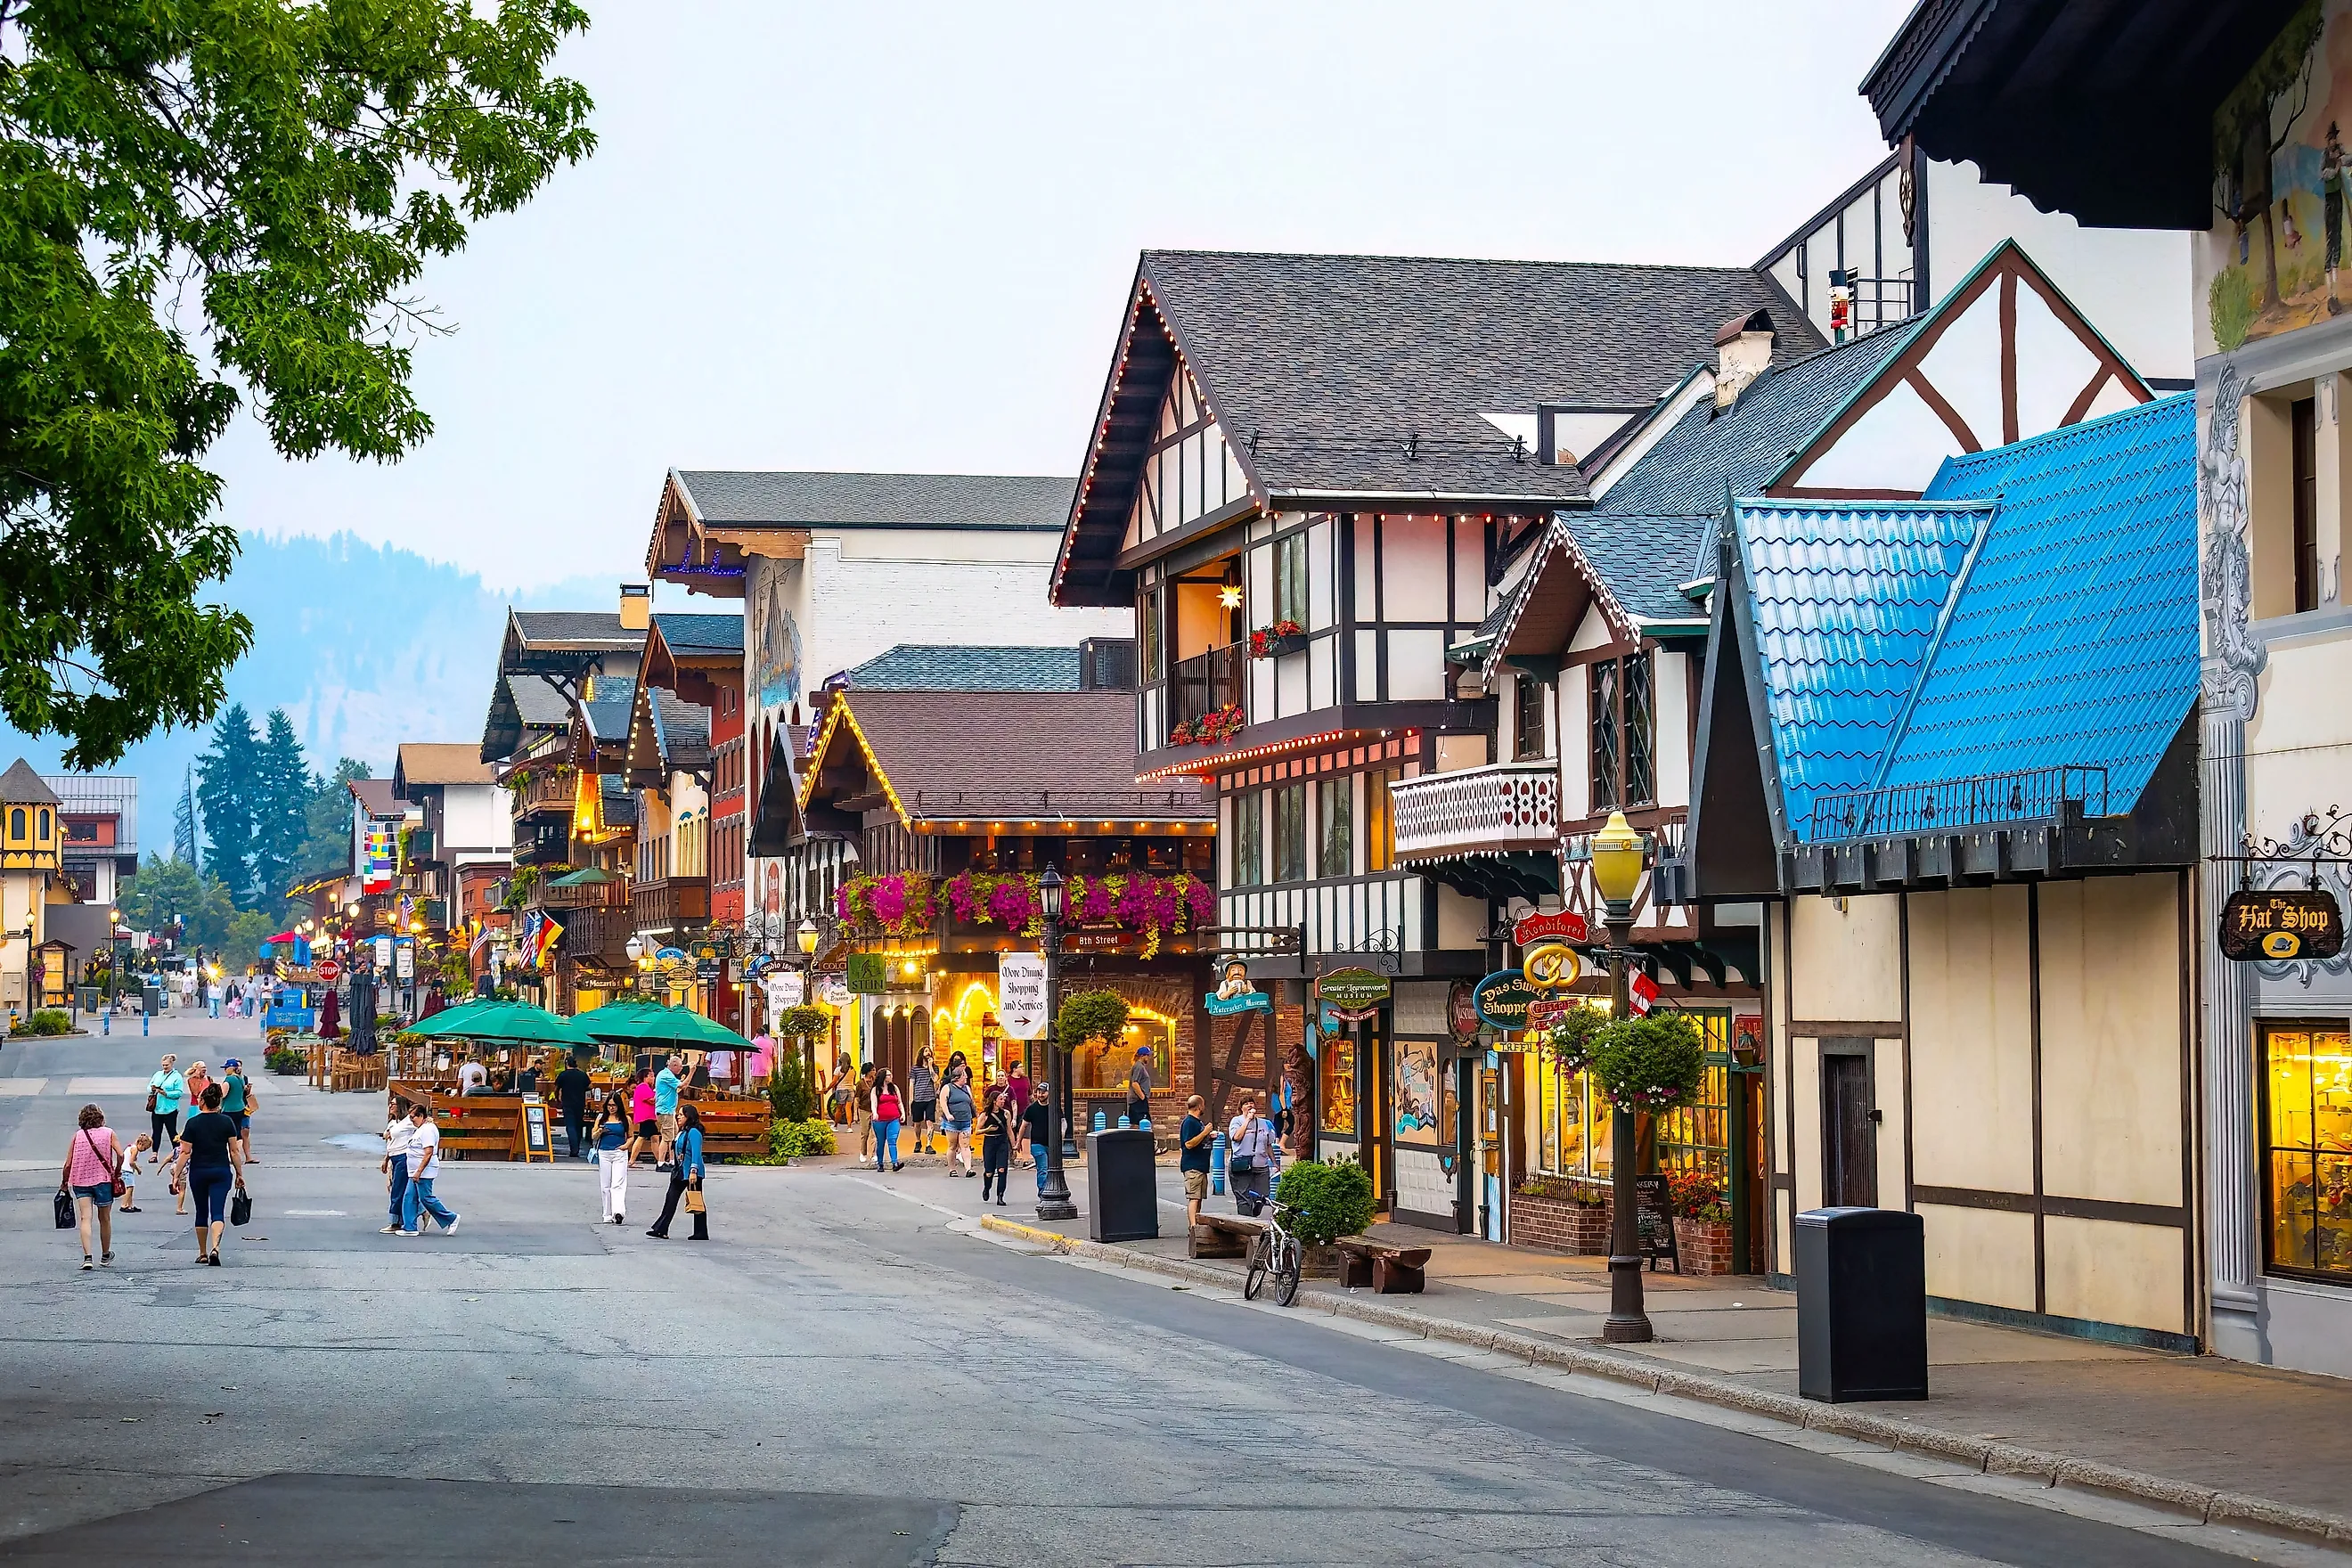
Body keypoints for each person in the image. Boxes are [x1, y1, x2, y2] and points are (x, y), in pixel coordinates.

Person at [172, 1084, 247, 1265]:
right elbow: (234, 1151)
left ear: (203, 1101)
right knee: (218, 1212)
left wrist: (176, 1174)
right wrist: (239, 1173)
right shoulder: (226, 1122)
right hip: (221, 1171)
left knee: (201, 1211)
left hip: (199, 1172)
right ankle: (216, 1248)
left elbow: (185, 1152)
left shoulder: (193, 1123)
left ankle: (203, 1252)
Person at [61, 1105, 122, 1270]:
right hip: (103, 1180)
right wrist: (117, 1170)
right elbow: (121, 1154)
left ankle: (88, 1257)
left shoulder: (78, 1136)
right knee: (105, 1219)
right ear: (100, 1117)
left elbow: (68, 1164)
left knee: (85, 1218)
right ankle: (105, 1255)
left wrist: (64, 1182)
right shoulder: (109, 1133)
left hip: (80, 1181)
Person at [647, 1101, 708, 1240]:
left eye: (681, 1115)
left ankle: (701, 1232)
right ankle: (661, 1228)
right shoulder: (682, 1132)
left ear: (688, 1116)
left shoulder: (694, 1132)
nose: (678, 1117)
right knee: (671, 1198)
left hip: (692, 1172)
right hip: (680, 1171)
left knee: (696, 1200)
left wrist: (693, 1170)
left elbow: (696, 1152)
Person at [398, 1103, 459, 1236]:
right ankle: (410, 1227)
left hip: (424, 1170)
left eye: (413, 1117)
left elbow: (428, 1152)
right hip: (414, 1170)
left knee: (426, 1198)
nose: (411, 1120)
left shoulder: (427, 1130)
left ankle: (451, 1217)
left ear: (421, 1116)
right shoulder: (421, 1128)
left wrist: (419, 1171)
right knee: (409, 1197)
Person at [1228, 1093, 1274, 1213]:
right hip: (1242, 1165)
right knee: (1244, 1197)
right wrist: (1247, 1120)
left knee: (1263, 1195)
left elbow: (1268, 1144)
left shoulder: (1264, 1123)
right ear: (1241, 1108)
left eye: (1251, 1103)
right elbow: (1236, 1137)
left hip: (1261, 1164)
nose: (1249, 1105)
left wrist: (1274, 1162)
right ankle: (1246, 1226)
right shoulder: (1236, 1121)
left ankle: (1256, 1209)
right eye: (1246, 1103)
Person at [594, 1089, 632, 1225]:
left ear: (618, 1106)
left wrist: (626, 1145)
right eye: (609, 1105)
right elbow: (593, 1136)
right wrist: (600, 1130)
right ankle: (607, 1214)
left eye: (614, 1106)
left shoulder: (625, 1119)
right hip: (604, 1152)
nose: (611, 1108)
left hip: (619, 1153)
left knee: (618, 1183)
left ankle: (618, 1211)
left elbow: (631, 1136)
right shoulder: (601, 1118)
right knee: (605, 1185)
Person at [1179, 1094, 1214, 1230]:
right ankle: (1193, 1227)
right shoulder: (1189, 1122)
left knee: (1199, 1198)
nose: (1204, 1107)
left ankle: (1197, 1225)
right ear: (1199, 1106)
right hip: (1192, 1166)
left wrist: (1209, 1137)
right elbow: (1188, 1144)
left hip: (1201, 1166)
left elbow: (1199, 1141)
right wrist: (1205, 1132)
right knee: (1194, 1198)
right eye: (1203, 1104)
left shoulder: (1197, 1122)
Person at [380, 1104, 414, 1235]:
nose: (390, 1106)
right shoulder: (393, 1122)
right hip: (393, 1156)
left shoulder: (407, 1122)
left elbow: (421, 1124)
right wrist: (386, 1159)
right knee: (396, 1188)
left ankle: (395, 1221)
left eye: (394, 1104)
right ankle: (421, 1210)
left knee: (397, 1190)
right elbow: (389, 1141)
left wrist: (428, 1120)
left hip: (403, 1156)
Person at [976, 1086, 1013, 1206]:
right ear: (994, 1101)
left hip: (1002, 1142)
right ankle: (987, 1188)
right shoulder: (985, 1115)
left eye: (1003, 1099)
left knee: (1002, 1169)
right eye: (1000, 1099)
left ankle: (1000, 1195)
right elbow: (977, 1131)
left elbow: (1009, 1130)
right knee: (989, 1172)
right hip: (990, 1142)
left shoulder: (1006, 1113)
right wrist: (987, 1129)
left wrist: (1014, 1144)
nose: (1003, 1101)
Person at [146, 1053, 186, 1157]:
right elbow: (148, 1087)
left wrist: (166, 1093)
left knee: (172, 1132)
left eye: (167, 1065)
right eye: (163, 1065)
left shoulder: (177, 1076)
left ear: (172, 1064)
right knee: (156, 1132)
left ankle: (177, 1152)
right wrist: (153, 1089)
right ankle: (154, 1154)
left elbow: (179, 1092)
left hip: (170, 1109)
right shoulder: (158, 1074)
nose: (164, 1067)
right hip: (157, 1108)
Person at [554, 1054, 592, 1160]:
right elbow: (590, 1086)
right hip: (580, 1103)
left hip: (567, 1103)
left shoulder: (563, 1075)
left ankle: (574, 1149)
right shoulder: (582, 1074)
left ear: (566, 1064)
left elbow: (557, 1088)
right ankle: (577, 1147)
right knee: (578, 1125)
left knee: (570, 1126)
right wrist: (581, 1089)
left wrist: (558, 1099)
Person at [1021, 1080, 1054, 1196]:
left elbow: (1062, 1121)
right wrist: (1018, 1142)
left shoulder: (1053, 1108)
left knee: (1052, 1169)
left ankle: (1050, 1189)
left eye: (1043, 1092)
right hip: (1036, 1144)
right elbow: (1023, 1126)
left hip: (1051, 1143)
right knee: (1043, 1168)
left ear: (1049, 1093)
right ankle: (1043, 1192)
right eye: (1039, 1092)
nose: (1040, 1095)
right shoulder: (1032, 1109)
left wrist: (1062, 1134)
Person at [219, 1058, 255, 1164]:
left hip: (229, 1109)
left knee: (227, 1132)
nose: (225, 1070)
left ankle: (231, 1155)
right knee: (238, 1133)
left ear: (231, 1068)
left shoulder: (229, 1080)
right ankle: (237, 1153)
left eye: (226, 1068)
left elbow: (223, 1094)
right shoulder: (240, 1079)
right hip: (240, 1108)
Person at [942, 1068, 976, 1178]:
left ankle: (968, 1169)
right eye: (964, 1076)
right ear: (958, 1077)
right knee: (953, 1146)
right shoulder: (948, 1088)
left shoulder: (967, 1088)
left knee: (965, 1145)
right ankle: (952, 1169)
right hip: (952, 1122)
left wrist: (975, 1115)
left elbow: (971, 1102)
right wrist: (948, 1115)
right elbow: (943, 1102)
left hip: (965, 1120)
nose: (966, 1078)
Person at [653, 1053, 684, 1169]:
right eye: (680, 1067)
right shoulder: (666, 1075)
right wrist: (692, 1072)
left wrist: (682, 1082)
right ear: (674, 1065)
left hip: (669, 1111)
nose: (681, 1069)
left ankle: (672, 1160)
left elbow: (678, 1088)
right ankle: (660, 1163)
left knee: (673, 1136)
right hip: (665, 1111)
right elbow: (683, 1086)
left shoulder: (666, 1075)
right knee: (666, 1138)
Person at [906, 1049, 937, 1158]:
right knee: (917, 1123)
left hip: (930, 1099)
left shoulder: (934, 1067)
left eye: (929, 1051)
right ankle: (918, 1141)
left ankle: (929, 1145)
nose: (928, 1053)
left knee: (930, 1122)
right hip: (918, 1098)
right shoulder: (915, 1068)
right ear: (921, 1054)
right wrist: (911, 1099)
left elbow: (935, 1079)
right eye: (925, 1051)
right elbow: (911, 1084)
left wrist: (930, 1066)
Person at [871, 1073, 903, 1172]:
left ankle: (895, 1162)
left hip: (894, 1118)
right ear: (883, 1077)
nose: (891, 1076)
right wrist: (875, 1113)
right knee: (880, 1142)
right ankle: (880, 1164)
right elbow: (874, 1103)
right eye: (888, 1075)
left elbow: (899, 1102)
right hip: (880, 1120)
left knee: (892, 1140)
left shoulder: (894, 1088)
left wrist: (902, 1113)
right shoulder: (876, 1089)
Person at [628, 1067, 657, 1166]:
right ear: (645, 1077)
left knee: (655, 1138)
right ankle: (632, 1160)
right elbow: (651, 1100)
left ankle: (659, 1160)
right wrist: (660, 1093)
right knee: (642, 1137)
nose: (654, 1078)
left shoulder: (645, 1087)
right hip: (646, 1117)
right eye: (652, 1076)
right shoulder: (643, 1087)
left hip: (648, 1116)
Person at [119, 1132, 152, 1213]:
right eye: (144, 1148)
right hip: (127, 1170)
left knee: (130, 1188)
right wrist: (138, 1169)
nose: (143, 1151)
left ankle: (130, 1205)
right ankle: (124, 1205)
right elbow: (131, 1162)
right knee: (129, 1188)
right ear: (140, 1144)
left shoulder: (131, 1146)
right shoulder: (135, 1150)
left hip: (124, 1169)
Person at [1125, 1046, 1154, 1129]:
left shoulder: (1139, 1066)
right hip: (1137, 1100)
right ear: (1142, 1056)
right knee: (1141, 1123)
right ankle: (1139, 1141)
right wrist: (1142, 1097)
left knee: (1137, 1123)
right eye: (1148, 1055)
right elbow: (1135, 1083)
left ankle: (1136, 1140)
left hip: (1137, 1100)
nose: (1149, 1058)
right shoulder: (1139, 1066)